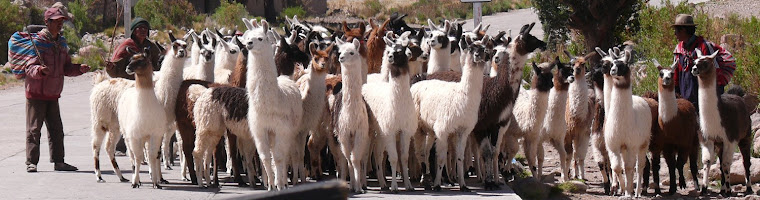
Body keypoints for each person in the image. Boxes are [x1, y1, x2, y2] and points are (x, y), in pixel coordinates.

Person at [24, 7, 90, 172]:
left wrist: (79, 69)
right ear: (47, 22)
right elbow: (29, 67)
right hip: (36, 94)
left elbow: (66, 68)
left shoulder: (61, 43)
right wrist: (39, 71)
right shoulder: (37, 42)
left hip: (53, 94)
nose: (60, 24)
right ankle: (31, 162)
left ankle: (59, 162)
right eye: (57, 21)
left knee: (57, 130)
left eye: (62, 21)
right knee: (34, 130)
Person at [106, 17, 161, 155]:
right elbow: (116, 69)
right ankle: (121, 146)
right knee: (129, 116)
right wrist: (110, 67)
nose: (142, 31)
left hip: (146, 86)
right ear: (134, 30)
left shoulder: (151, 47)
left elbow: (158, 64)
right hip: (129, 86)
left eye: (145, 29)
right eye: (139, 28)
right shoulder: (126, 46)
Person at [671, 14, 736, 106]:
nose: (675, 34)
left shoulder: (704, 47)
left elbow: (714, 72)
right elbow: (676, 76)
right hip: (686, 101)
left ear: (684, 30)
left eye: (676, 31)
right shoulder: (678, 50)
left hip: (705, 100)